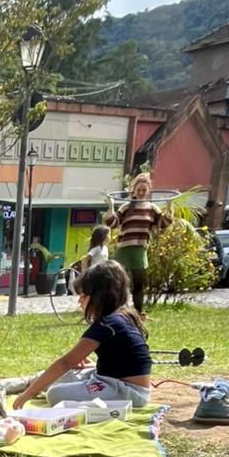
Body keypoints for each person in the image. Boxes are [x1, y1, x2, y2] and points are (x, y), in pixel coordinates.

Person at [12, 260, 152, 410]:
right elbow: (126, 360)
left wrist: (29, 394)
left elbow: (66, 362)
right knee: (63, 376)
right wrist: (98, 365)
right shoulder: (122, 316)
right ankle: (19, 384)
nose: (79, 301)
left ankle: (29, 387)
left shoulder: (107, 324)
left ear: (100, 296)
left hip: (126, 390)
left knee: (54, 394)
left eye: (84, 295)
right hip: (110, 378)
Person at [103, 174, 170, 313]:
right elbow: (113, 223)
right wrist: (111, 208)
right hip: (124, 249)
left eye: (143, 190)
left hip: (140, 249)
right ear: (134, 190)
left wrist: (170, 209)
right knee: (119, 281)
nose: (141, 192)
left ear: (148, 191)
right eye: (138, 189)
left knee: (138, 283)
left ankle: (138, 311)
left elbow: (163, 224)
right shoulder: (126, 207)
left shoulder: (152, 208)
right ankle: (117, 309)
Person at [67, 224, 110, 294]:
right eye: (108, 234)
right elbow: (86, 259)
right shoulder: (96, 249)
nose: (109, 236)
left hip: (103, 271)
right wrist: (85, 271)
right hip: (95, 272)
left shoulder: (105, 248)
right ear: (103, 236)